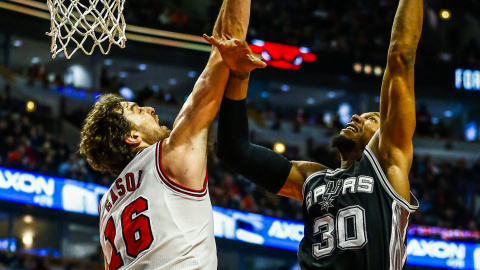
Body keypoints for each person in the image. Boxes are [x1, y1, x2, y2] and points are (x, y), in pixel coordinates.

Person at [209, 0, 423, 268]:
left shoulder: (388, 167)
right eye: (361, 114)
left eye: (372, 119)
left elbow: (400, 58)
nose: (357, 116)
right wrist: (239, 76)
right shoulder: (311, 178)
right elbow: (234, 150)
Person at [78, 0, 265, 268]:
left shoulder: (107, 206)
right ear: (132, 137)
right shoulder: (167, 156)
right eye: (137, 110)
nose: (150, 109)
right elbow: (224, 49)